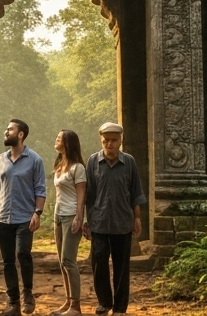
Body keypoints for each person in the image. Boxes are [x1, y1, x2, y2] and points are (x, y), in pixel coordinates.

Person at [0, 118, 47, 316]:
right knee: (8, 261)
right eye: (6, 129)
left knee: (23, 254)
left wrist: (37, 213)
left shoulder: (35, 159)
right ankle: (13, 303)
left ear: (20, 134)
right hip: (3, 218)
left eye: (10, 129)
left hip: (25, 218)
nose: (6, 132)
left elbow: (40, 190)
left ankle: (28, 293)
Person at [82, 122, 146, 315]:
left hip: (122, 223)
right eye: (105, 141)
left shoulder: (129, 162)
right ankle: (104, 302)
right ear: (101, 140)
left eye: (113, 141)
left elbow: (135, 192)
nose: (109, 145)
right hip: (99, 222)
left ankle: (119, 307)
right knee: (99, 264)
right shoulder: (93, 161)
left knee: (122, 267)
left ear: (120, 141)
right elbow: (88, 195)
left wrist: (137, 218)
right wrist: (87, 220)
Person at [49, 130, 87, 316]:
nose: (56, 140)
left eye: (59, 138)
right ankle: (67, 302)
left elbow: (81, 195)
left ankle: (76, 307)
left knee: (68, 260)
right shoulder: (59, 165)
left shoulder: (77, 168)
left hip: (72, 216)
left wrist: (80, 217)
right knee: (61, 262)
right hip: (58, 216)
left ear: (68, 143)